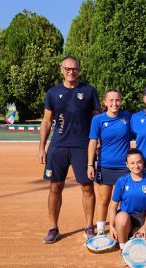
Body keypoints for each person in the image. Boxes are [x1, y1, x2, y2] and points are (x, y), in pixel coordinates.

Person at [38, 56, 100, 244]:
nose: (71, 72)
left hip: (82, 146)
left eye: (74, 69)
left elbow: (97, 119)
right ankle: (53, 228)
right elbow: (47, 121)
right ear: (61, 69)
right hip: (58, 146)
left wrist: (97, 143)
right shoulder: (53, 92)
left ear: (79, 70)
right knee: (55, 187)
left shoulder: (89, 91)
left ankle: (89, 227)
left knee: (87, 187)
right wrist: (42, 147)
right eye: (67, 68)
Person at [87, 89, 131, 236]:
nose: (114, 103)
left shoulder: (127, 117)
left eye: (117, 100)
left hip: (124, 168)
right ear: (105, 102)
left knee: (122, 200)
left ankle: (121, 229)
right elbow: (93, 142)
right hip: (105, 166)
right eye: (111, 100)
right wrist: (90, 164)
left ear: (121, 101)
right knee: (104, 199)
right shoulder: (98, 120)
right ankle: (100, 231)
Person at [107, 149, 146, 249]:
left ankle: (136, 235)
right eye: (132, 163)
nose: (136, 166)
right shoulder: (121, 181)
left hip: (143, 217)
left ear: (143, 162)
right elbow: (113, 206)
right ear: (127, 164)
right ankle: (123, 248)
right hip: (126, 217)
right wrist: (112, 226)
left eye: (139, 162)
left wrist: (145, 226)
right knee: (121, 218)